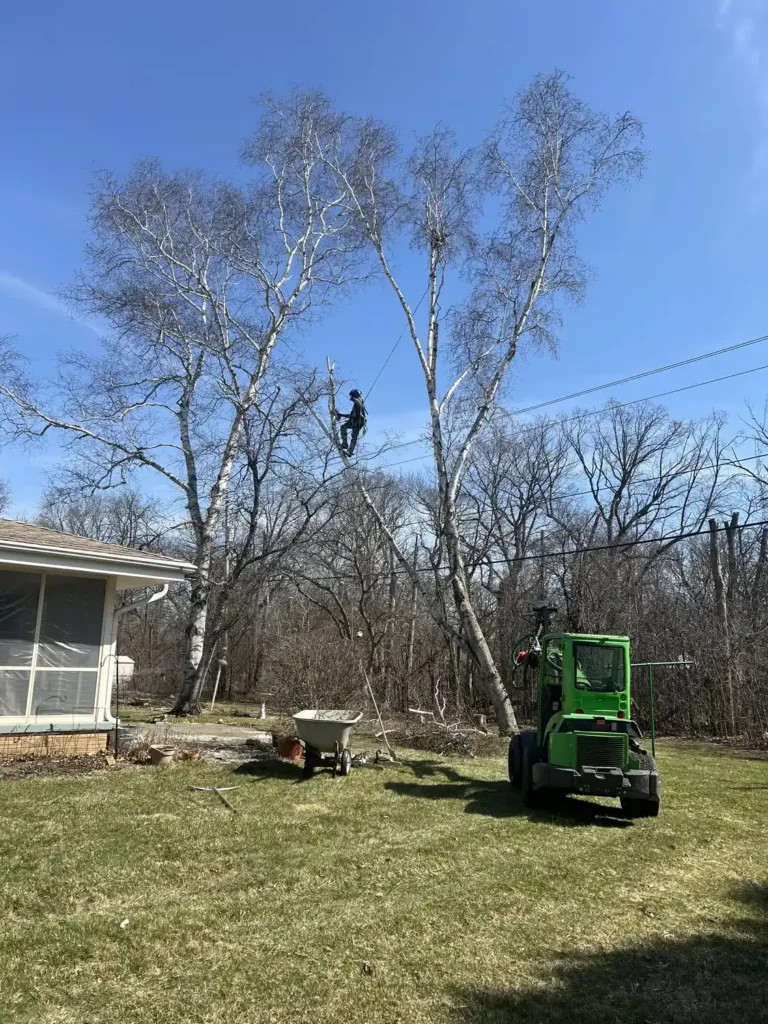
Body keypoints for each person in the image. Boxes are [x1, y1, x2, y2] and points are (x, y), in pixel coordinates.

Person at [336, 389, 366, 455]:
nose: (350, 398)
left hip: (358, 422)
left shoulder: (358, 402)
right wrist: (342, 415)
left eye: (351, 396)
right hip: (354, 421)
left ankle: (349, 451)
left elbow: (358, 403)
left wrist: (355, 400)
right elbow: (351, 415)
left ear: (354, 396)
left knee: (354, 436)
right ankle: (345, 444)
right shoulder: (357, 403)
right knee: (343, 427)